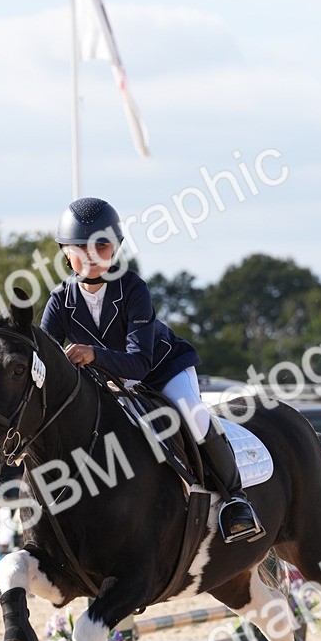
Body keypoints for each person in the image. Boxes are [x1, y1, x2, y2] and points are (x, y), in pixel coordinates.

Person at [40, 196, 264, 543]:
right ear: (65, 252)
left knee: (194, 416)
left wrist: (92, 355)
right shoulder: (59, 301)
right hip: (108, 384)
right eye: (80, 247)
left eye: (102, 245)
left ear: (115, 248)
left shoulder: (132, 289)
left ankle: (235, 501)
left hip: (161, 371)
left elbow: (140, 364)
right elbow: (48, 366)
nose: (91, 255)